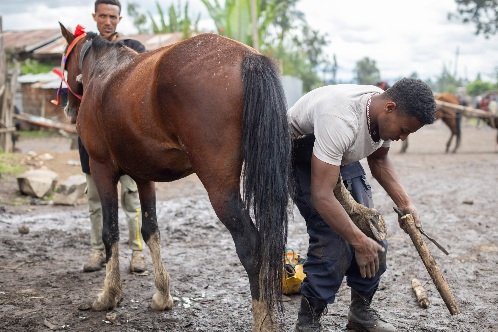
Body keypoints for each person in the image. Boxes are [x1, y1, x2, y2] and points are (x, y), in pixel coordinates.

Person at [289, 78, 436, 331]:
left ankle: (360, 312)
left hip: (340, 155)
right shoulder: (341, 119)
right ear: (389, 108)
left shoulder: (383, 112)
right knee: (333, 238)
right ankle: (308, 321)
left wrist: (406, 204)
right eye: (403, 130)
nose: (402, 138)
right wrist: (357, 242)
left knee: (373, 231)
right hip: (301, 150)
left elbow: (379, 161)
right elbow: (322, 195)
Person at [81, 0, 146, 273]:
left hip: (124, 137)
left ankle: (137, 253)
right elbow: (73, 89)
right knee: (95, 198)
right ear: (94, 16)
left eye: (112, 16)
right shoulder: (84, 51)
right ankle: (98, 251)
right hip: (93, 138)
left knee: (131, 197)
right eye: (103, 16)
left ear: (119, 19)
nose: (107, 21)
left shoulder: (133, 48)